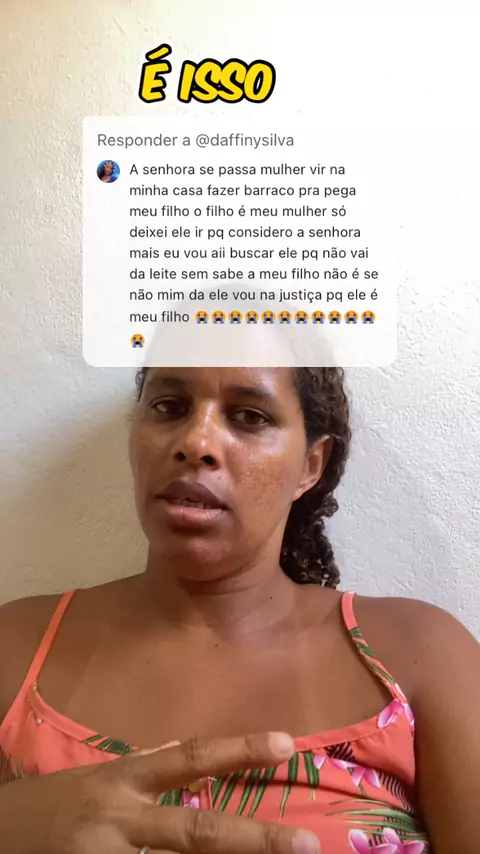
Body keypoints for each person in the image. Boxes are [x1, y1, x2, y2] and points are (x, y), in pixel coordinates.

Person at [0, 366, 479, 854]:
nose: (196, 442)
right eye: (169, 407)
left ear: (311, 464)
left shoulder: (421, 655)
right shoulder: (15, 647)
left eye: (250, 416)